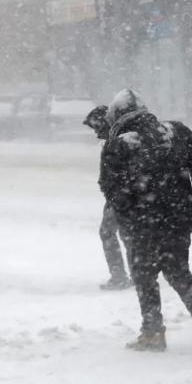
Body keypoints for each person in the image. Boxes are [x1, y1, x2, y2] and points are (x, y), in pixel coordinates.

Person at [99, 89, 192, 351]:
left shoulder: (117, 145)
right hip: (177, 218)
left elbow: (111, 189)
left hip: (142, 225)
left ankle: (153, 332)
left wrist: (129, 211)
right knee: (177, 270)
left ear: (118, 116)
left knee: (144, 275)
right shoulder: (176, 132)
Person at [83, 105, 132, 291]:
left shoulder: (116, 142)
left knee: (108, 232)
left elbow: (118, 173)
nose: (96, 133)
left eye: (97, 127)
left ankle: (119, 276)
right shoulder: (120, 138)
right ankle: (137, 274)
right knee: (128, 235)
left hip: (120, 197)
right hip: (122, 196)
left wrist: (113, 191)